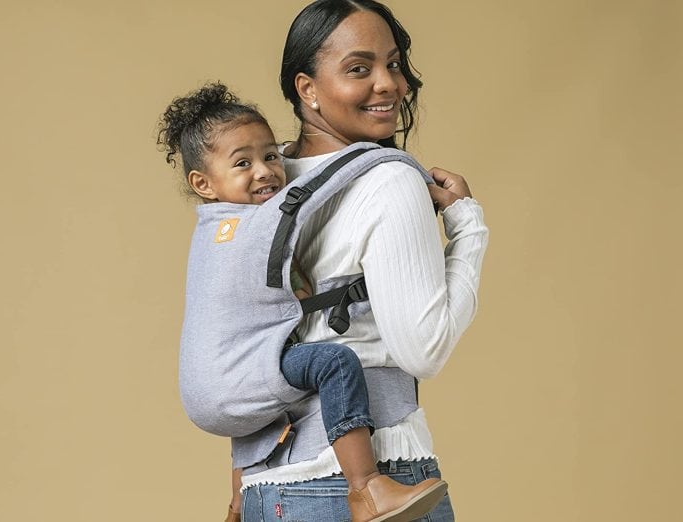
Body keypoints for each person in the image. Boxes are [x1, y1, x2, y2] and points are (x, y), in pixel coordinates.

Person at [237, 1, 489, 521]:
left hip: (265, 483)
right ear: (307, 88)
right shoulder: (389, 181)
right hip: (371, 479)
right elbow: (425, 349)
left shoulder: (262, 180)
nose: (388, 84)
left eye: (393, 64)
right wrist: (468, 225)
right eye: (359, 68)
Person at [158, 82, 448, 522]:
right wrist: (388, 158)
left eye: (272, 155)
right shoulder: (252, 227)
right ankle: (366, 487)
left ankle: (238, 503)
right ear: (203, 183)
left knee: (270, 399)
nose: (265, 172)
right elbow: (310, 191)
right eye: (242, 163)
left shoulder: (215, 232)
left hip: (217, 385)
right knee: (333, 364)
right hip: (239, 373)